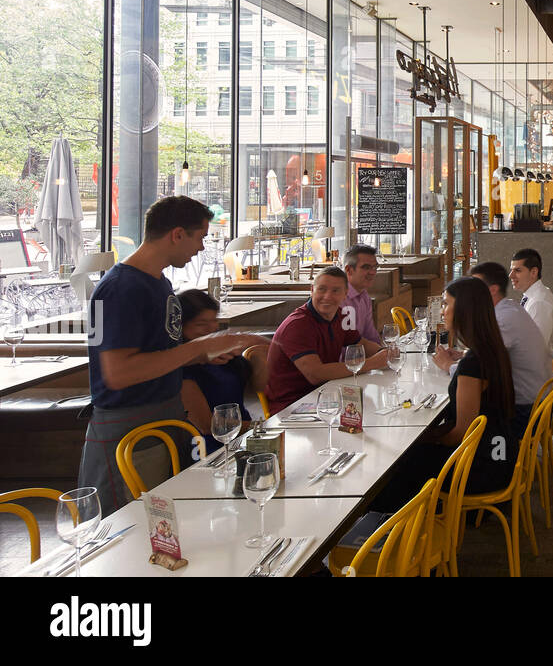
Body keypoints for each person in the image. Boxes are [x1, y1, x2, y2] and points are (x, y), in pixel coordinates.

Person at [77, 196, 259, 514]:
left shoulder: (159, 283)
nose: (202, 247)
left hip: (164, 419)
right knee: (130, 529)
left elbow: (161, 354)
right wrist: (198, 348)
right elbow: (118, 374)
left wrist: (203, 355)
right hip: (130, 431)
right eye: (200, 237)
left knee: (165, 526)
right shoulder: (118, 289)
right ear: (177, 234)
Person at [377, 277, 518, 508]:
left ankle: (400, 534)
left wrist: (428, 438)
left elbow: (462, 433)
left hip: (482, 468)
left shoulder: (473, 364)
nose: (442, 312)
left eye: (445, 304)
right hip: (501, 453)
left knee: (397, 468)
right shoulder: (491, 348)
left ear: (463, 310)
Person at [263, 266, 389, 414]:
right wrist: (373, 363)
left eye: (335, 291)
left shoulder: (338, 315)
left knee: (379, 407)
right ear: (312, 290)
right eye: (322, 289)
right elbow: (316, 374)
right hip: (292, 407)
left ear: (345, 294)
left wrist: (385, 353)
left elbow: (360, 343)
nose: (327, 296)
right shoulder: (297, 325)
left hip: (326, 394)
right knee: (370, 412)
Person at [176, 289, 269, 452]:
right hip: (207, 449)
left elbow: (258, 388)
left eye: (214, 321)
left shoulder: (221, 356)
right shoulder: (182, 368)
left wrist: (259, 360)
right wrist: (261, 426)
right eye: (201, 324)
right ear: (181, 327)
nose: (211, 328)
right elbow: (207, 425)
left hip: (241, 438)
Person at [468, 260, 551, 436]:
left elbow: (479, 368)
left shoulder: (502, 319)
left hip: (526, 412)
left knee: (466, 420)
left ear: (492, 290)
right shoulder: (510, 308)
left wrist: (447, 366)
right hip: (537, 402)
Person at [509, 248, 553, 356]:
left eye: (517, 270)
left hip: (552, 368)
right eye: (511, 270)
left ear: (533, 272)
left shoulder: (539, 303)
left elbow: (535, 349)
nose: (511, 275)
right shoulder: (536, 293)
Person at [341, 243, 382, 344]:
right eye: (366, 267)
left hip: (359, 357)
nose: (373, 272)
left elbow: (371, 335)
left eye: (375, 267)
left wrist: (383, 352)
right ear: (349, 270)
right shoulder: (338, 298)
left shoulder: (364, 296)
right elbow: (344, 344)